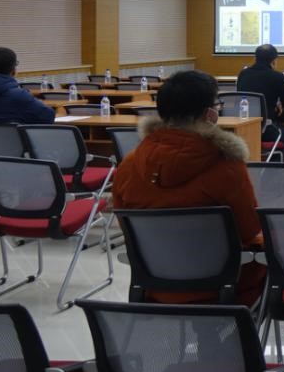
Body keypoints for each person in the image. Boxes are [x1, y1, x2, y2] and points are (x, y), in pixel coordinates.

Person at [112, 70, 264, 305]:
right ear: (210, 114)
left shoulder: (129, 164)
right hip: (222, 285)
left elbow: (125, 225)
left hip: (155, 281)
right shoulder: (226, 166)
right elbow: (249, 229)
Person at [0, 47, 55, 125]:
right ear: (13, 69)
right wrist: (35, 102)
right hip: (14, 140)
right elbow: (48, 116)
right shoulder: (19, 95)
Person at [236, 43, 284, 159]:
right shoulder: (277, 76)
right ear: (274, 61)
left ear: (255, 58)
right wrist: (277, 103)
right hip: (267, 128)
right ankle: (282, 168)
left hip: (244, 126)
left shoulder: (243, 74)